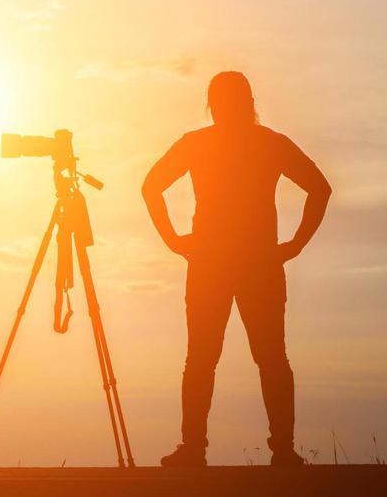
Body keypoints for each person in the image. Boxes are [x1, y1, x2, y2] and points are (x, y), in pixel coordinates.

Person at [141, 72, 331, 468]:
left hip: (222, 263)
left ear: (215, 103)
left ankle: (202, 448)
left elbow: (151, 186)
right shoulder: (266, 143)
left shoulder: (204, 144)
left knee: (216, 359)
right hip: (245, 263)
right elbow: (320, 188)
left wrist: (174, 240)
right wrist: (294, 245)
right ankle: (271, 449)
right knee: (260, 358)